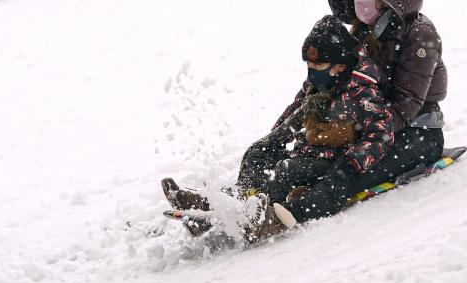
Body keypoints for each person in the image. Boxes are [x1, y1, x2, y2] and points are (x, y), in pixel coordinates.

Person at [162, 14, 394, 242]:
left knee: (286, 170)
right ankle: (222, 203)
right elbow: (293, 112)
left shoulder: (362, 90)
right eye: (309, 64)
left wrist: (351, 163)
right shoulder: (316, 83)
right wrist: (270, 141)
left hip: (333, 159)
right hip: (306, 150)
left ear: (340, 66)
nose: (313, 70)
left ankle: (257, 213)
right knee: (257, 155)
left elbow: (382, 132)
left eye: (319, 64)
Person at [274, 0, 448, 226]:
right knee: (308, 160)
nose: (360, 3)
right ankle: (245, 200)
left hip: (416, 135)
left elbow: (405, 108)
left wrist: (353, 134)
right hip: (369, 127)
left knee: (349, 169)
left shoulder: (419, 35)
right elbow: (329, 83)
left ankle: (292, 215)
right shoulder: (361, 32)